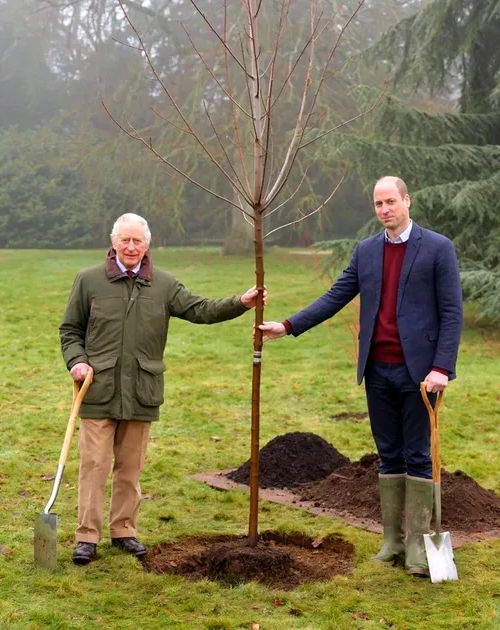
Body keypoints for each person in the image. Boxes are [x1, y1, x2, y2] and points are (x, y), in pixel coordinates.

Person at [259, 176, 463, 577]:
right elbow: (336, 296)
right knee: (388, 453)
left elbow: (452, 313)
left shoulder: (438, 248)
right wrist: (288, 325)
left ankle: (421, 547)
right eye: (377, 204)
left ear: (407, 200)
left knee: (417, 453)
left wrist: (442, 368)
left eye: (390, 201)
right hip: (377, 369)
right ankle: (392, 541)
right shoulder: (367, 252)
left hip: (421, 375)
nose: (384, 209)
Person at [60, 212, 266, 565]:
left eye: (137, 240)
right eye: (124, 239)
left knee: (130, 467)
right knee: (93, 465)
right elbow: (70, 330)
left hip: (142, 390)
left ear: (148, 244)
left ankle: (123, 530)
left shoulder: (164, 284)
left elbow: (200, 309)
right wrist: (77, 360)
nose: (130, 246)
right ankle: (87, 537)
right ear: (113, 242)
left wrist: (240, 303)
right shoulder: (89, 281)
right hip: (98, 390)